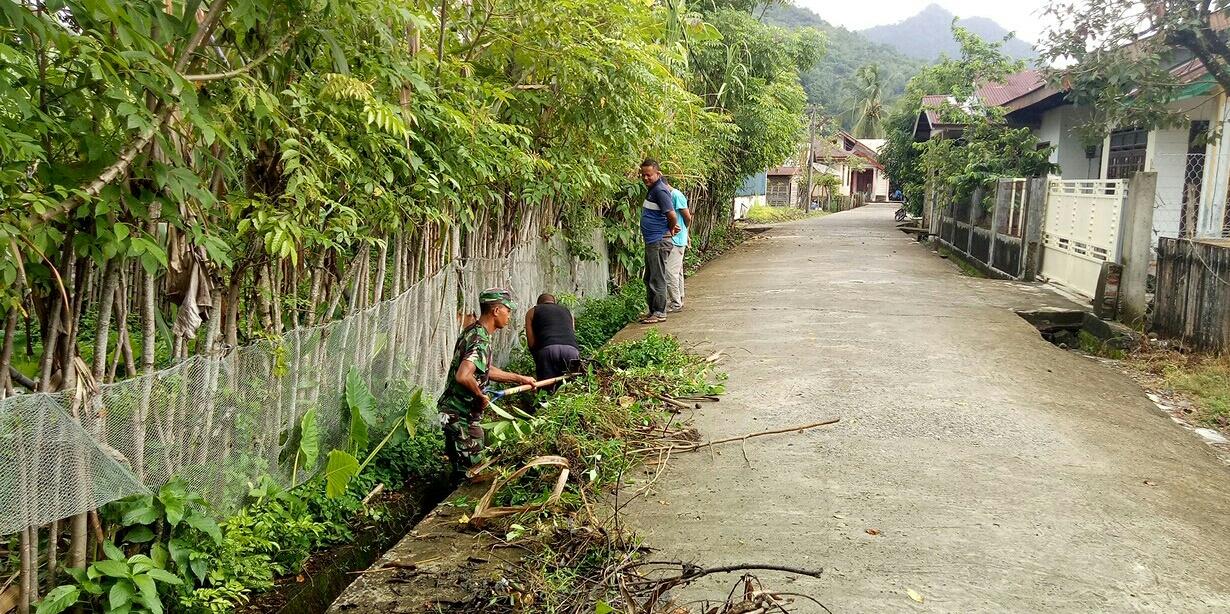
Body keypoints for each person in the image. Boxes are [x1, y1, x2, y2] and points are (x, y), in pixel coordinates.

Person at [437, 288, 536, 478]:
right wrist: (480, 395)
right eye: (508, 310)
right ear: (496, 310)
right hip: (460, 416)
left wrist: (519, 378)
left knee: (462, 467)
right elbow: (463, 376)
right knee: (472, 471)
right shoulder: (479, 340)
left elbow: (485, 370)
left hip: (455, 412)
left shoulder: (474, 332)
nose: (510, 315)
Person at [638, 159, 680, 324]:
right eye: (643, 175)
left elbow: (671, 215)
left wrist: (669, 229)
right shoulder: (653, 190)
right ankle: (653, 310)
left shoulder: (660, 191)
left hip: (658, 241)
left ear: (658, 174)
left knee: (657, 277)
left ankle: (659, 312)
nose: (645, 178)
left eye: (648, 175)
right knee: (649, 277)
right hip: (653, 241)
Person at [524, 293, 580, 382]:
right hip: (572, 351)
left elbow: (531, 342)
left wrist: (538, 359)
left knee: (546, 389)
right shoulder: (567, 312)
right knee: (572, 389)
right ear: (554, 302)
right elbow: (572, 332)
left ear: (539, 304)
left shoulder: (532, 312)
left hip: (548, 350)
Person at [663, 181, 692, 313]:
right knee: (677, 272)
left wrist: (685, 232)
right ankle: (679, 298)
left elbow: (687, 217)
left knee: (670, 273)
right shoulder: (669, 195)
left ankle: (675, 303)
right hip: (675, 238)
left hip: (677, 239)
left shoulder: (676, 195)